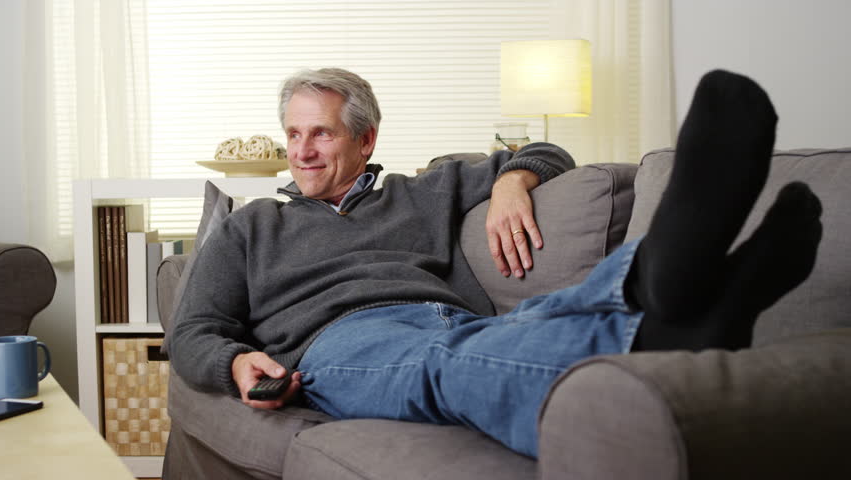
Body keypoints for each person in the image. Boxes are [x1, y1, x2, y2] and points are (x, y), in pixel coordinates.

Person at [167, 67, 822, 458]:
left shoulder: (426, 187)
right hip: (339, 345)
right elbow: (192, 331)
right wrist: (232, 362)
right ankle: (678, 305)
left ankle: (661, 282)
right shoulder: (253, 226)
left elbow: (543, 149)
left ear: (366, 139)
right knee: (440, 366)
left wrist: (513, 182)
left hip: (449, 318)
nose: (302, 151)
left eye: (322, 132)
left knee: (533, 318)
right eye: (293, 133)